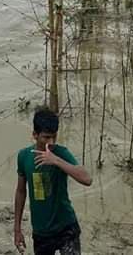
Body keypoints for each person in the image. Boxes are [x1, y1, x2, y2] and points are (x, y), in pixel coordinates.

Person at [13, 107, 91, 255]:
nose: (51, 142)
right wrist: (17, 229)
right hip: (41, 231)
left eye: (54, 137)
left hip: (66, 227)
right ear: (35, 135)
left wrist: (56, 161)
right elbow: (21, 192)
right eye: (46, 137)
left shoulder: (61, 153)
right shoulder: (24, 156)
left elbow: (87, 179)